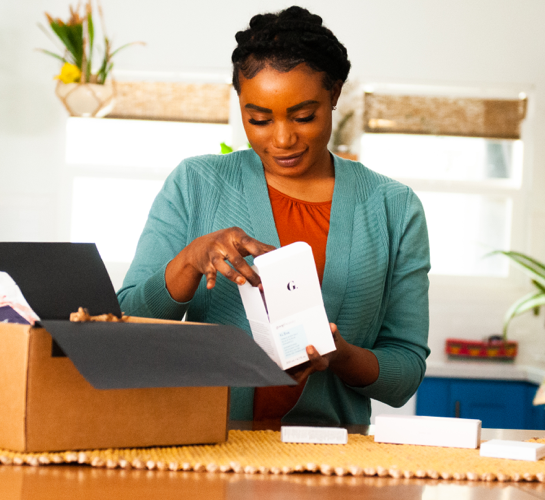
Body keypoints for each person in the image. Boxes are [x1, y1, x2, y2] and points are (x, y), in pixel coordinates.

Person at [117, 6, 430, 425]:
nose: (283, 139)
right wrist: (191, 259)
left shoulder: (394, 207)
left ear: (334, 95)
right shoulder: (197, 183)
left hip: (332, 467)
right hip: (210, 453)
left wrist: (339, 356)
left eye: (304, 116)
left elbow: (405, 374)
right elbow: (128, 329)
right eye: (259, 119)